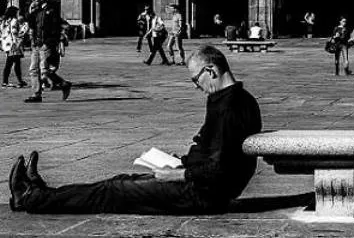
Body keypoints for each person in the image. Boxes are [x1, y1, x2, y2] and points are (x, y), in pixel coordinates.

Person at [9, 45, 262, 214]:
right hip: (199, 184)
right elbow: (216, 152)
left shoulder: (230, 107)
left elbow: (220, 168)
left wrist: (177, 175)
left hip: (202, 195)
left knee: (113, 190)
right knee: (119, 184)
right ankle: (41, 194)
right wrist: (179, 162)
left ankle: (30, 198)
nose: (196, 86)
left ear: (211, 70)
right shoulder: (232, 97)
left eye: (196, 79)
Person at [24, 0, 71, 103]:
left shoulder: (52, 13)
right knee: (33, 69)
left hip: (46, 44)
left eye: (36, 0)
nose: (34, 2)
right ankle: (36, 94)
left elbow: (58, 28)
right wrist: (31, 10)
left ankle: (63, 83)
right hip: (36, 44)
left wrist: (49, 42)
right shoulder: (36, 12)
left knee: (44, 71)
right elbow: (30, 23)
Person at [1, 7, 28, 88]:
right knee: (10, 64)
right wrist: (24, 31)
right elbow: (15, 32)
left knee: (15, 63)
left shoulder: (4, 21)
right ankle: (6, 82)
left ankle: (19, 81)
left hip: (7, 44)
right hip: (14, 44)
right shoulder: (14, 21)